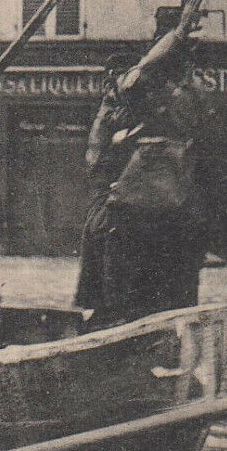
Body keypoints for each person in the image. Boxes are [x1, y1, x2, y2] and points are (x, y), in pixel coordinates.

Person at [93, 0, 211, 326]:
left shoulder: (195, 89)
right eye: (183, 42)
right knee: (127, 303)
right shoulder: (139, 82)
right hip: (138, 200)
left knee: (178, 303)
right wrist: (177, 35)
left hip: (178, 202)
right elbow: (139, 77)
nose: (190, 48)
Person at [75, 52, 141, 311]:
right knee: (106, 236)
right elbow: (103, 149)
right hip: (108, 184)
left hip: (105, 183)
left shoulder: (111, 105)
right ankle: (107, 306)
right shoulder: (115, 108)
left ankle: (101, 303)